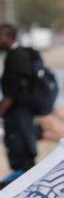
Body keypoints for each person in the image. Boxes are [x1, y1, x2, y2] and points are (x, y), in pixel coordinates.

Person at [0, 23, 40, 177]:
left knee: (22, 156)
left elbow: (14, 90)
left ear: (9, 36)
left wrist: (2, 109)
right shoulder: (16, 55)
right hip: (20, 115)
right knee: (21, 156)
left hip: (19, 115)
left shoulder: (17, 57)